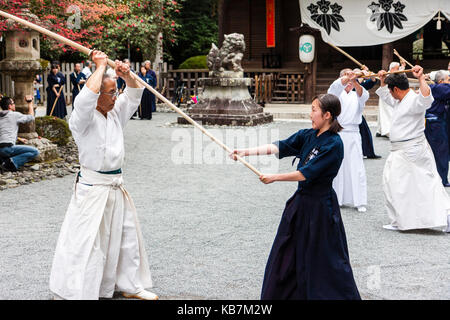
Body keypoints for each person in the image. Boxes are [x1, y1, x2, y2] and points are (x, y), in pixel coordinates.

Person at [49, 50, 158, 300]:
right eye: (110, 92)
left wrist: (126, 75)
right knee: (90, 243)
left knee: (125, 236)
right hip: (92, 187)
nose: (115, 97)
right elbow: (84, 99)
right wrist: (99, 66)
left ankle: (130, 285)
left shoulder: (115, 113)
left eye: (115, 91)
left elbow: (133, 94)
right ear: (98, 94)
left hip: (115, 184)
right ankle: (81, 290)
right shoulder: (81, 120)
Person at [230, 94, 360, 300]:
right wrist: (245, 152)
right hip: (300, 204)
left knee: (325, 256)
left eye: (314, 110)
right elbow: (279, 146)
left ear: (327, 115)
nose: (311, 114)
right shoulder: (308, 135)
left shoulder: (334, 144)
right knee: (287, 249)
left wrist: (274, 177)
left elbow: (306, 173)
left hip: (321, 208)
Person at [376, 66, 450, 232]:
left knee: (419, 186)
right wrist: (382, 81)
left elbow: (426, 98)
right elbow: (388, 98)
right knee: (399, 185)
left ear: (396, 89)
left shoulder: (414, 99)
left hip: (411, 150)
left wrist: (421, 78)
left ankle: (439, 217)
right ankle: (403, 220)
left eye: (391, 90)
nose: (391, 95)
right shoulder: (400, 99)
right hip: (402, 150)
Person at [328, 69, 369, 212]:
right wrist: (346, 78)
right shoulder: (335, 94)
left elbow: (364, 95)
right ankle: (336, 199)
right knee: (337, 166)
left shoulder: (356, 94)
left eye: (351, 80)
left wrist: (355, 81)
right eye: (346, 79)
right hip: (338, 133)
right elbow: (333, 88)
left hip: (353, 134)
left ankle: (360, 201)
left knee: (356, 166)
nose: (349, 83)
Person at [0, 95, 39, 172]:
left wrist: (19, 138)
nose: (14, 105)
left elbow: (4, 132)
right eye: (13, 103)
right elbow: (31, 117)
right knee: (34, 151)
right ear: (10, 106)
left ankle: (3, 160)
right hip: (8, 148)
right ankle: (11, 163)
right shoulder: (14, 115)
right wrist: (30, 103)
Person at [425, 70, 450, 186]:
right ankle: (442, 179)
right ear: (441, 81)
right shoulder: (440, 88)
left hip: (435, 123)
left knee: (437, 152)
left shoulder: (434, 87)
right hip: (436, 124)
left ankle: (437, 178)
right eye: (448, 80)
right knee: (441, 151)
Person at [355, 67, 381, 159]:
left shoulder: (361, 85)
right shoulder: (350, 84)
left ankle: (369, 152)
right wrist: (361, 76)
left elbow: (372, 82)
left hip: (357, 114)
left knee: (365, 133)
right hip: (346, 115)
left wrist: (371, 74)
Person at [376, 61, 406, 138]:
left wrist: (403, 66)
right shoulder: (387, 75)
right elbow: (384, 85)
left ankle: (383, 130)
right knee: (386, 113)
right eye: (397, 68)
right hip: (386, 95)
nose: (399, 69)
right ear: (392, 68)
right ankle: (385, 130)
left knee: (390, 113)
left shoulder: (397, 74)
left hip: (392, 96)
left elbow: (402, 76)